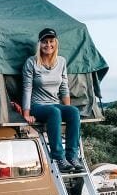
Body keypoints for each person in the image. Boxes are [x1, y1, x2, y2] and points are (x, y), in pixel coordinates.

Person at [20, 28, 84, 173]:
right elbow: (27, 89)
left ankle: (72, 157)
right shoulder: (31, 62)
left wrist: (66, 112)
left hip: (55, 103)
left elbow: (64, 87)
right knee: (54, 112)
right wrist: (26, 113)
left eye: (51, 41)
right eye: (44, 42)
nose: (48, 45)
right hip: (38, 105)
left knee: (73, 111)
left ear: (55, 43)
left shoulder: (61, 61)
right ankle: (59, 157)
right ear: (39, 44)